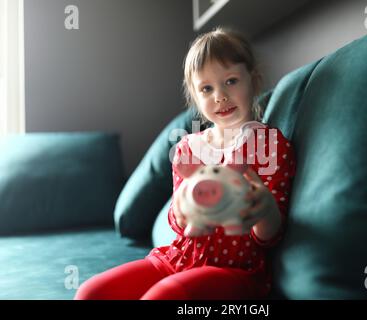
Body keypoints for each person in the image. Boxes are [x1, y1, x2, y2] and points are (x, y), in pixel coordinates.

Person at [74, 27, 296, 300]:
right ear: (195, 96)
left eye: (231, 81)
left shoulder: (270, 144)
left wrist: (264, 211)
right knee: (90, 293)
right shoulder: (188, 148)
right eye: (207, 88)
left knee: (162, 297)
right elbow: (180, 223)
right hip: (177, 259)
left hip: (236, 271)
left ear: (254, 78)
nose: (220, 96)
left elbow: (270, 236)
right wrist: (181, 213)